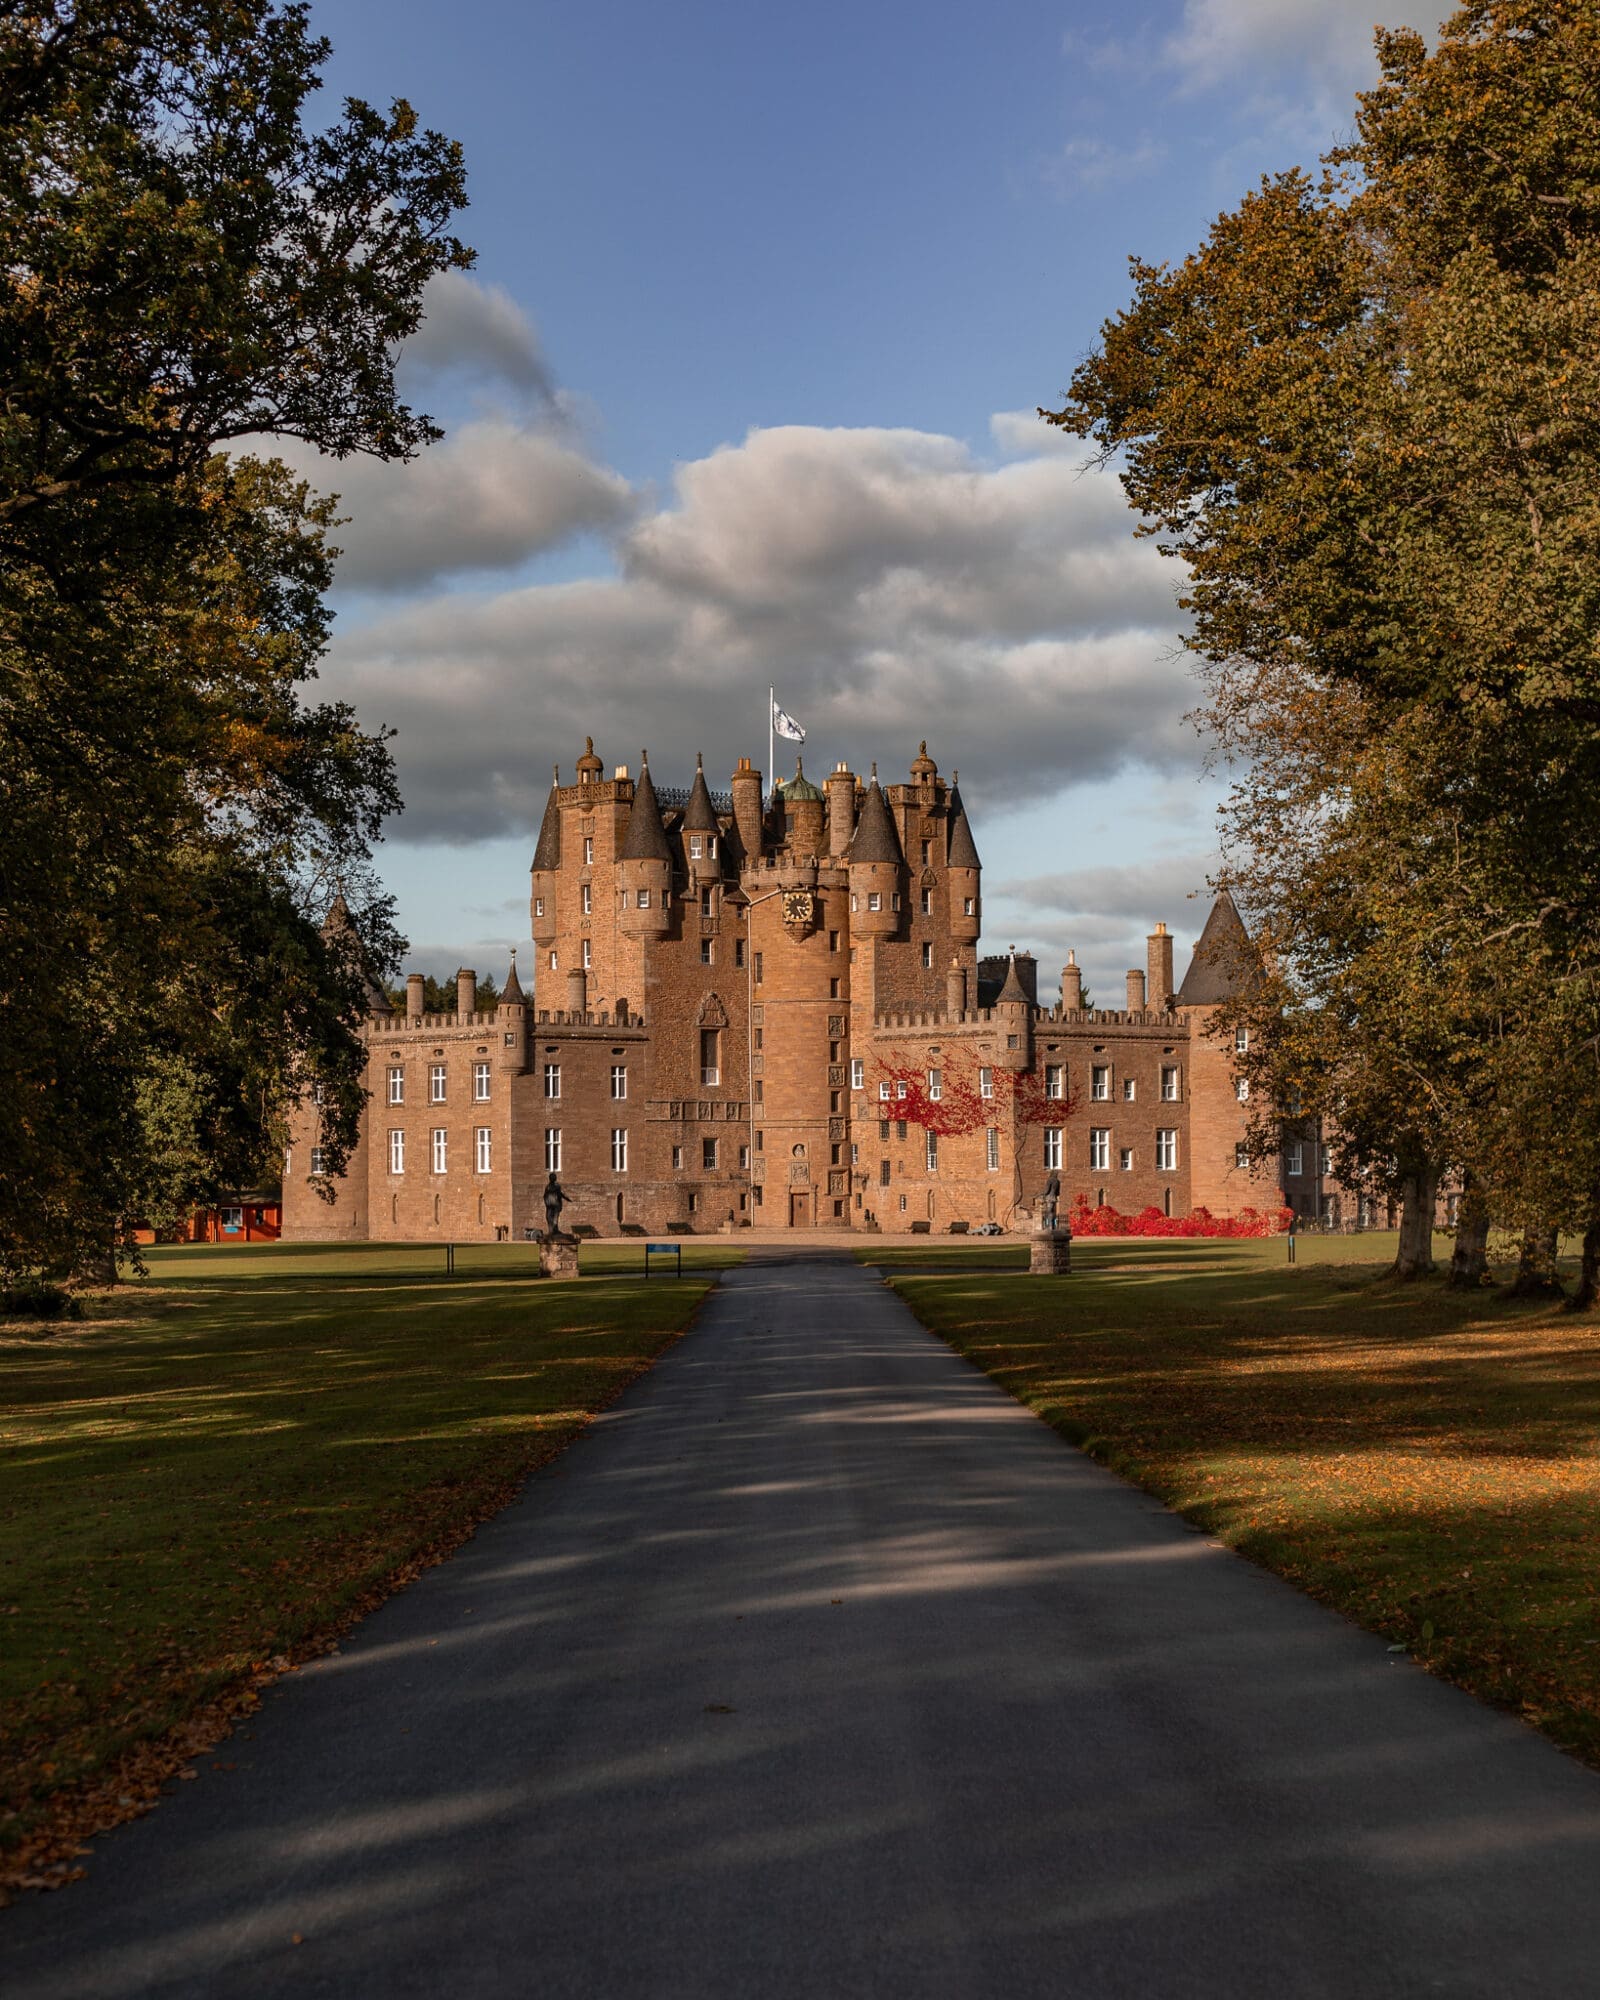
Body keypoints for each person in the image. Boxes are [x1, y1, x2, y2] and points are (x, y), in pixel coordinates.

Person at [543, 1172, 568, 1238]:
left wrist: (565, 1199)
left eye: (553, 1177)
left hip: (555, 1204)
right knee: (549, 1217)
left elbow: (560, 1194)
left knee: (554, 1218)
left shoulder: (556, 1186)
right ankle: (552, 1231)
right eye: (551, 1177)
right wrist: (546, 1202)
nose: (552, 1179)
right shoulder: (548, 1186)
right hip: (550, 1205)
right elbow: (545, 1195)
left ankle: (554, 1231)